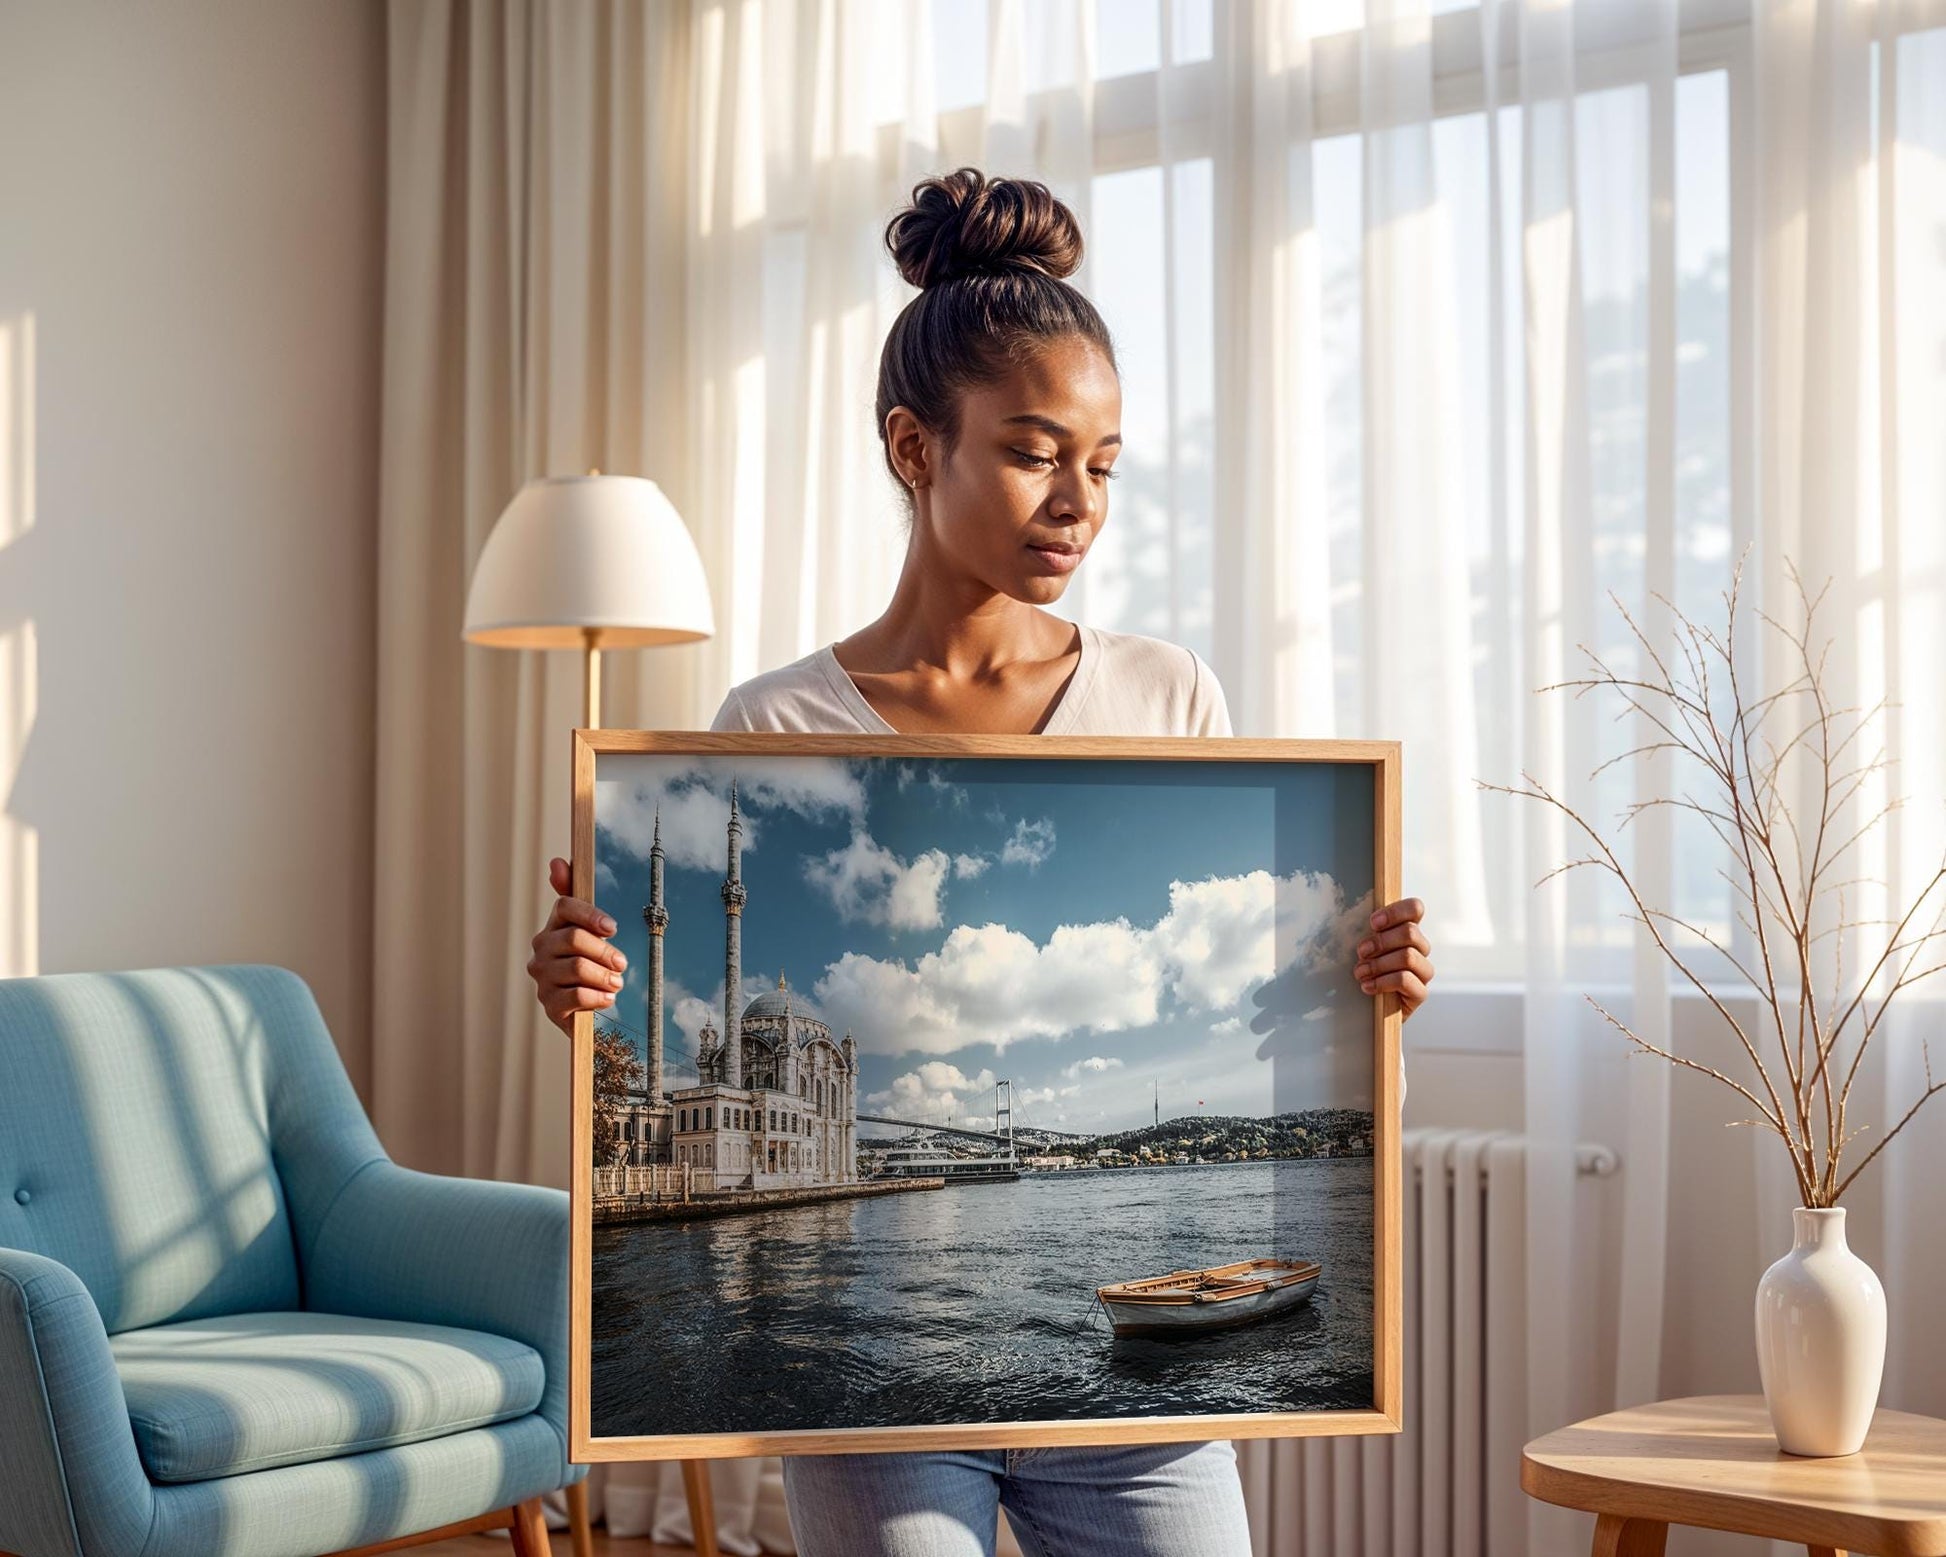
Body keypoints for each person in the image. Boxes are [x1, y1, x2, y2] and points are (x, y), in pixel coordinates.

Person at [527, 166, 1434, 1557]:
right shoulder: (771, 727)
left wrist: (1368, 995)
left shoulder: (1170, 692)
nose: (1079, 500)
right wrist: (587, 995)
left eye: (1105, 462)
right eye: (1030, 450)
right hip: (878, 1404)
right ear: (912, 447)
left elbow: (1276, 1036)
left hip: (1135, 1403)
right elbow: (630, 1050)